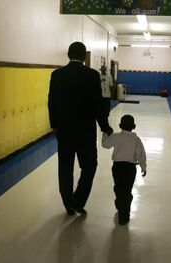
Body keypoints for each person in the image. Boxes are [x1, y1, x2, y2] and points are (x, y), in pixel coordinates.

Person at [48, 42, 113, 216]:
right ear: (84, 57)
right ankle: (79, 200)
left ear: (68, 55)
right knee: (90, 165)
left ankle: (68, 203)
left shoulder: (57, 75)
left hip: (64, 130)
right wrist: (105, 127)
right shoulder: (92, 75)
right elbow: (97, 105)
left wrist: (54, 125)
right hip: (85, 131)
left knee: (65, 166)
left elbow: (51, 102)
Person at [101, 114, 146, 225]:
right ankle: (125, 213)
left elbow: (105, 145)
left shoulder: (116, 136)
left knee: (118, 187)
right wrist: (143, 166)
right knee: (127, 190)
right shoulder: (136, 140)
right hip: (130, 169)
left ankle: (120, 205)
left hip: (117, 168)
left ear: (120, 125)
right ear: (134, 126)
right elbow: (141, 154)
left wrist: (105, 134)